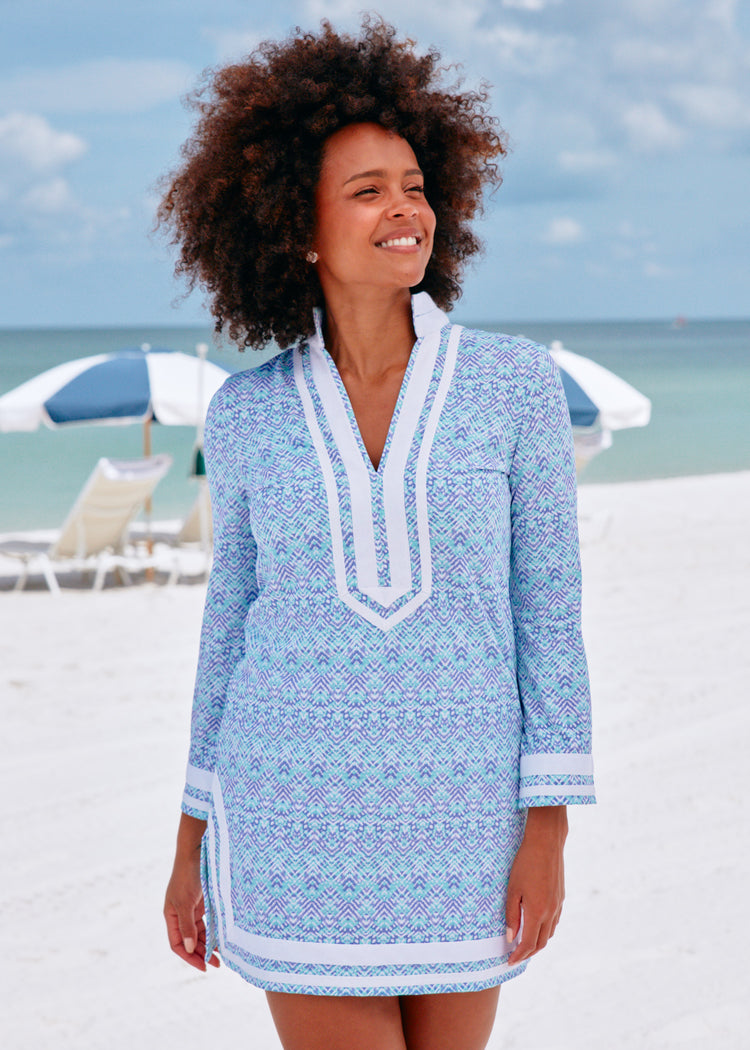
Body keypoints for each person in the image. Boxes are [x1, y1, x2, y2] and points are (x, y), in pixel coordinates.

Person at [160, 19, 594, 1050]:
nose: (404, 210)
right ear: (298, 231)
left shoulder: (516, 388)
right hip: (294, 821)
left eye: (413, 184)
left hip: (466, 819)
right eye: (366, 192)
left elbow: (551, 614)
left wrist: (550, 827)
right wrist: (190, 844)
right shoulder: (246, 414)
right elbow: (228, 632)